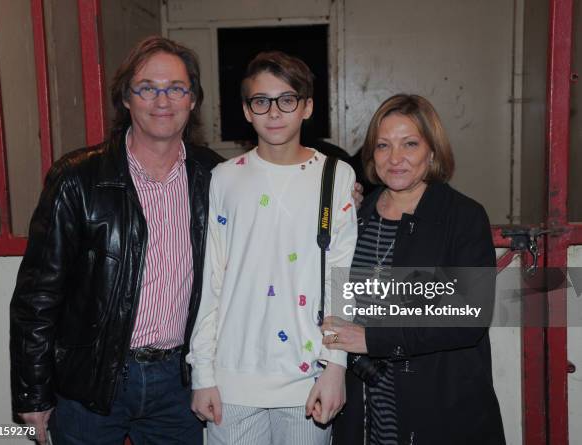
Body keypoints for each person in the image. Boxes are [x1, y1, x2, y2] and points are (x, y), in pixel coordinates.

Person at [9, 36, 223, 445]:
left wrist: (344, 194)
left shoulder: (216, 177)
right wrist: (32, 394)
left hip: (181, 383)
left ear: (192, 99)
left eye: (176, 88)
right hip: (90, 382)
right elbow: (37, 296)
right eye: (147, 87)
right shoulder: (77, 179)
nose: (162, 100)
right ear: (126, 98)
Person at [187, 51, 358, 445]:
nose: (274, 112)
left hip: (307, 379)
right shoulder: (225, 179)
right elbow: (211, 280)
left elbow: (342, 279)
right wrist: (203, 374)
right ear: (247, 111)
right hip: (232, 381)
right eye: (261, 101)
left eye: (287, 100)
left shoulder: (336, 174)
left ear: (307, 106)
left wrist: (335, 367)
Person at [322, 94, 505, 444]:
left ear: (432, 151)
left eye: (409, 144)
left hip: (438, 405)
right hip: (364, 404)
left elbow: (470, 316)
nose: (395, 159)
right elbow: (327, 303)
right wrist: (334, 359)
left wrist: (373, 339)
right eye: (383, 145)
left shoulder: (462, 217)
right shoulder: (354, 216)